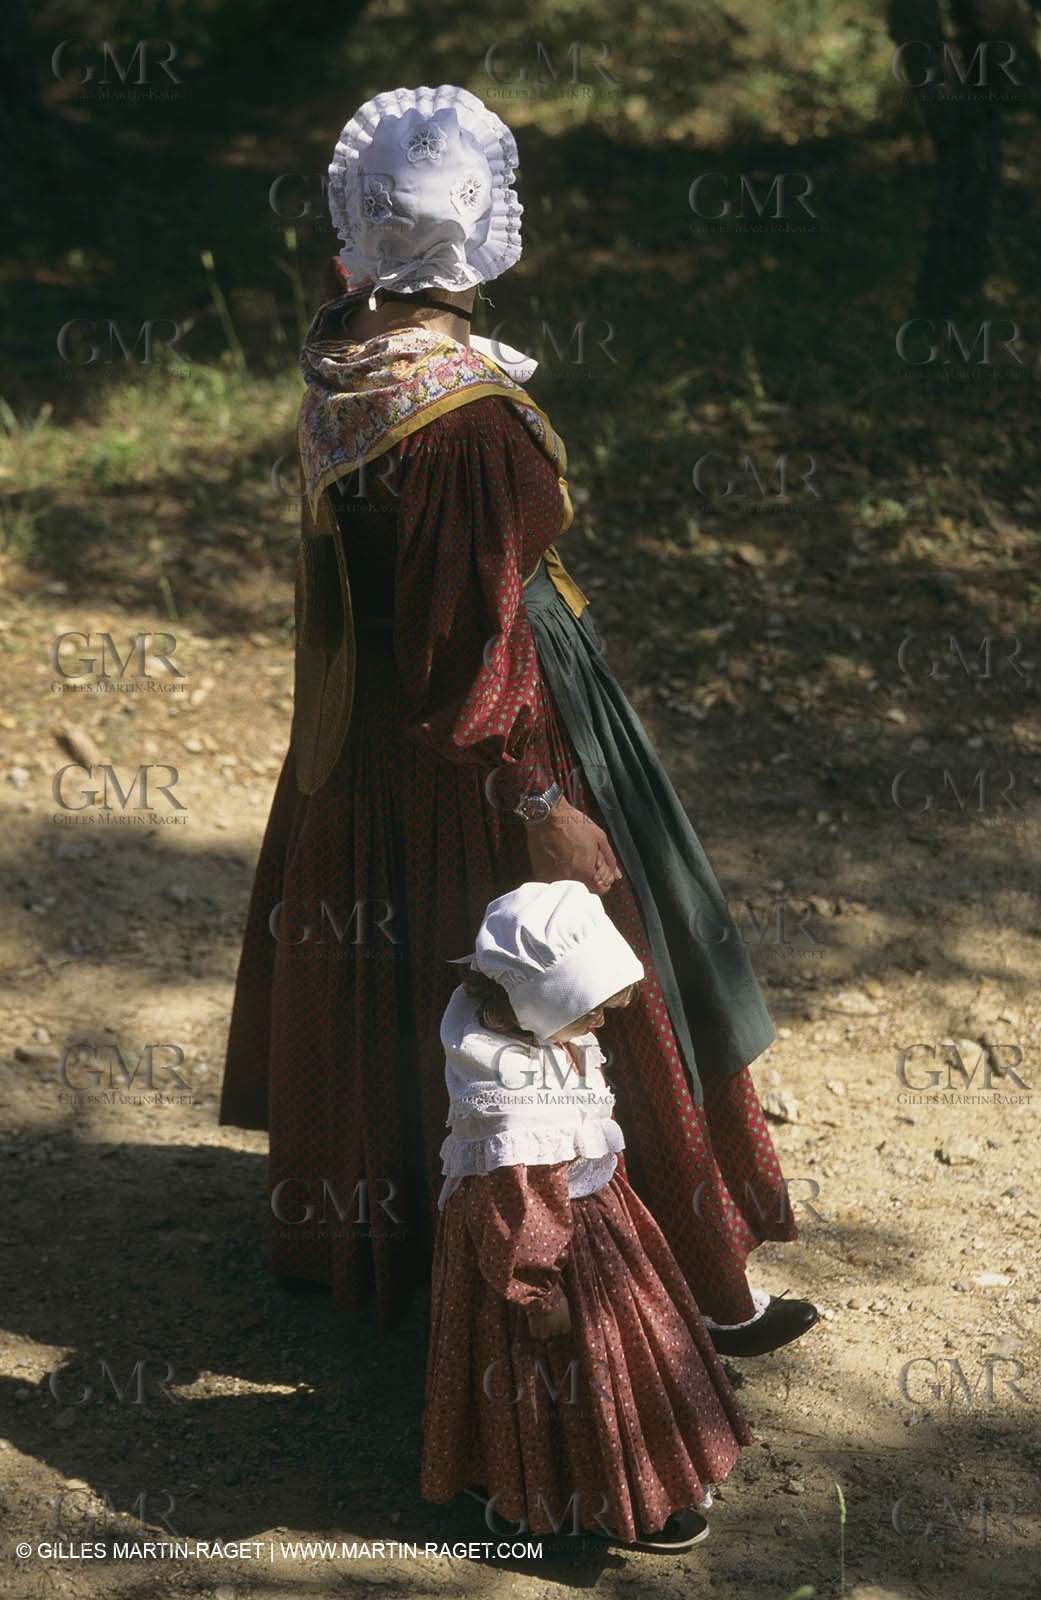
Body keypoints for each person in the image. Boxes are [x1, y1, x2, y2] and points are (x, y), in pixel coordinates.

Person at [219, 82, 818, 1354]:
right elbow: (468, 652)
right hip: (495, 722)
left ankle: (393, 1244)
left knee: (404, 979)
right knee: (586, 971)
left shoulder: (346, 352)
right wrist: (539, 804)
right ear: (479, 235)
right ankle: (668, 1281)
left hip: (365, 729)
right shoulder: (469, 421)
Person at [422, 879, 752, 1550]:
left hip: (584, 1216)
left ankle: (559, 1477)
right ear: (535, 1004)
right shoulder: (513, 1101)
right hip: (551, 1246)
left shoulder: (510, 1026)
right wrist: (536, 1289)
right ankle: (603, 1495)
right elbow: (512, 1206)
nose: (599, 1025)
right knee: (575, 1369)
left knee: (613, 1357)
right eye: (587, 1012)